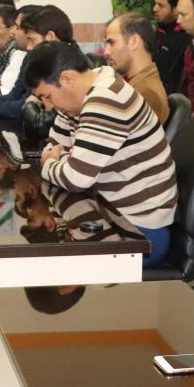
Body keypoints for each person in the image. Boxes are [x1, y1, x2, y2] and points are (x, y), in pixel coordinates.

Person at [25, 41, 178, 264]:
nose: (47, 106)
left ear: (67, 79)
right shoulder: (79, 96)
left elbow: (75, 177)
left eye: (47, 96)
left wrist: (50, 164)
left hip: (139, 232)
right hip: (108, 209)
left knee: (49, 262)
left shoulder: (105, 100)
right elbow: (53, 145)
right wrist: (61, 161)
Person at [101, 12, 169, 126]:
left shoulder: (146, 94)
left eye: (111, 43)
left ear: (133, 42)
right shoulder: (136, 84)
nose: (106, 52)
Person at [151, 0, 190, 95]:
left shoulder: (185, 37)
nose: (154, 9)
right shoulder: (159, 30)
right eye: (155, 4)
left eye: (161, 5)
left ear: (176, 9)